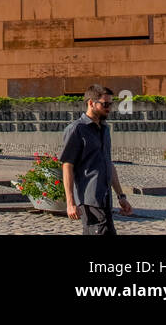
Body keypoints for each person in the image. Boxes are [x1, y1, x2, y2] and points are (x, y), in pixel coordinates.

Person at [60, 83, 133, 234]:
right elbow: (67, 165)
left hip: (105, 198)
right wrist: (70, 203)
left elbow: (109, 164)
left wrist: (121, 196)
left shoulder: (104, 129)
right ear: (91, 103)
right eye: (105, 104)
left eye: (111, 104)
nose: (109, 108)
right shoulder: (76, 129)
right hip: (89, 198)